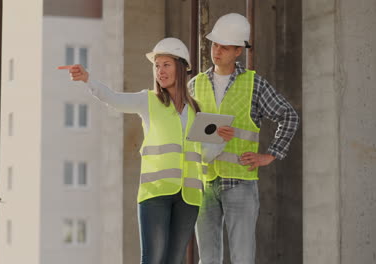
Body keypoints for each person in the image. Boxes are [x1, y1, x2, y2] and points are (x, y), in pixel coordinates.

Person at [65, 38, 205, 264]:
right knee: (153, 259)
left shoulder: (197, 109)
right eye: (157, 66)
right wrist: (88, 79)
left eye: (166, 64)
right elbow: (114, 99)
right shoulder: (147, 101)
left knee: (175, 260)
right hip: (155, 193)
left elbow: (205, 150)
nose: (160, 71)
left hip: (188, 196)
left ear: (181, 66)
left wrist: (222, 140)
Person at [190, 13, 300, 264]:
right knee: (207, 259)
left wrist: (270, 155)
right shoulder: (195, 85)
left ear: (238, 51)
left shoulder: (254, 84)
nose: (216, 51)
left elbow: (289, 116)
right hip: (205, 181)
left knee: (242, 258)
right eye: (214, 44)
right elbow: (186, 130)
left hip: (240, 181)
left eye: (224, 47)